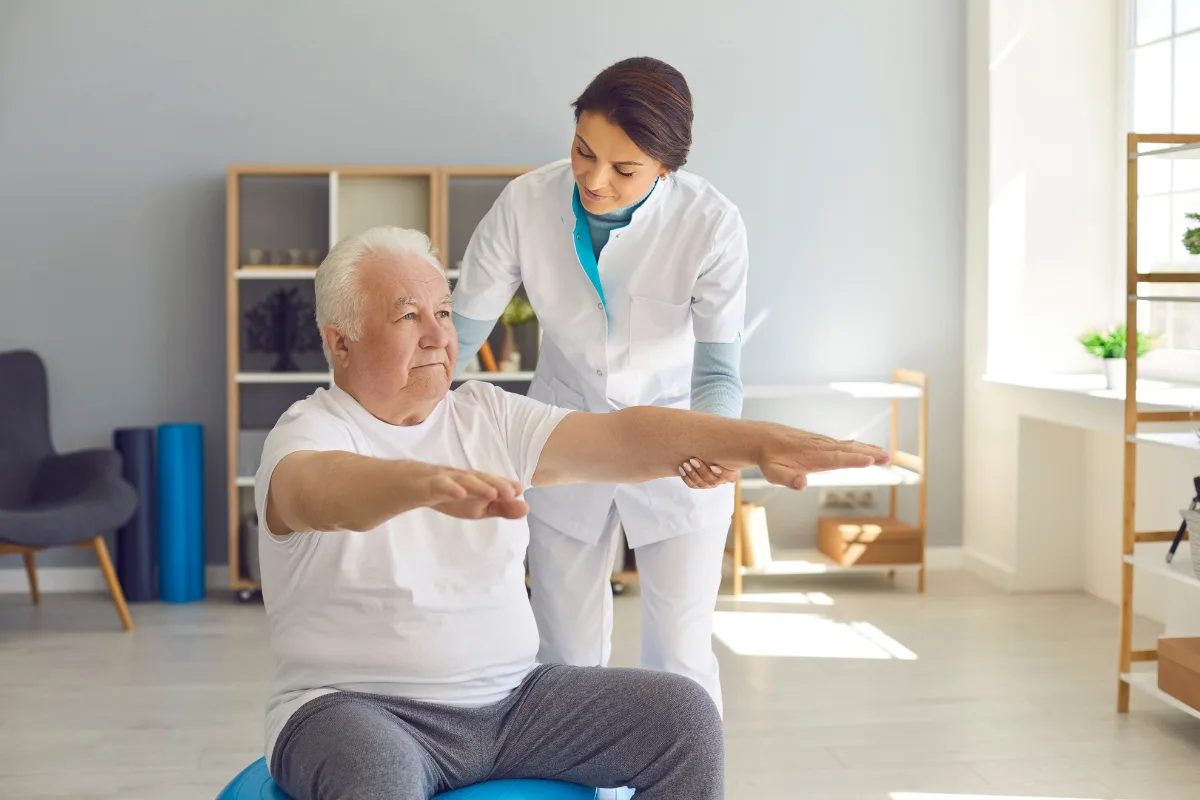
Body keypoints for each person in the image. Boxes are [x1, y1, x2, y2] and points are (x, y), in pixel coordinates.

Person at [254, 226, 888, 800]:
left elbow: (622, 439)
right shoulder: (306, 433)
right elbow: (323, 492)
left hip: (514, 702)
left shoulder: (487, 414)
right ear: (341, 342)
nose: (438, 335)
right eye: (408, 316)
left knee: (683, 718)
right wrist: (421, 483)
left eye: (444, 313)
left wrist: (756, 443)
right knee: (376, 778)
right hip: (356, 708)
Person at [451, 56, 748, 710]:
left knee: (680, 657)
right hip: (565, 429)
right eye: (584, 152)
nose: (594, 179)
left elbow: (719, 369)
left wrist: (717, 446)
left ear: (668, 168)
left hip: (677, 441)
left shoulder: (711, 224)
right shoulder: (526, 203)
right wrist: (399, 426)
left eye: (624, 169)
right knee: (565, 653)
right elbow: (459, 336)